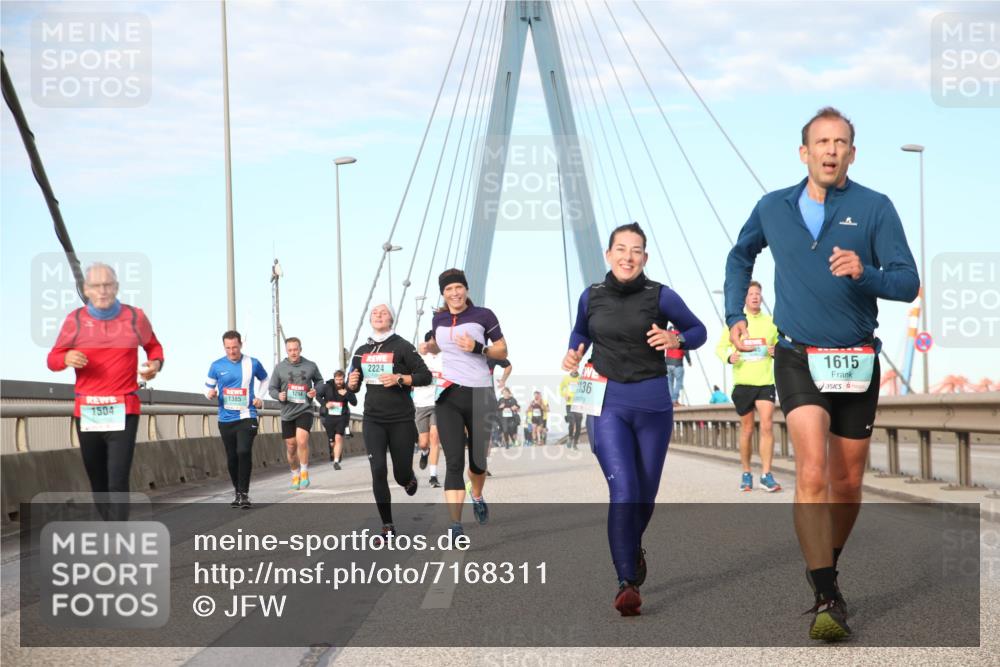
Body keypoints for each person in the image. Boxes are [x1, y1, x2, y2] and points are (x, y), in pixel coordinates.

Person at [724, 107, 919, 641]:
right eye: (821, 142)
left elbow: (908, 283)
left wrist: (867, 272)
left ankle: (823, 563)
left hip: (857, 359)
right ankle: (827, 594)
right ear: (803, 151)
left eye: (841, 143)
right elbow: (739, 257)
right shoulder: (773, 207)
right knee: (811, 472)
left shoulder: (875, 208)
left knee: (847, 482)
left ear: (852, 153)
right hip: (797, 355)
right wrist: (735, 315)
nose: (831, 150)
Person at [564, 222, 706, 617]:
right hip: (607, 401)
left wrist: (677, 339)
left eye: (636, 250)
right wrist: (574, 352)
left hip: (653, 403)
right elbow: (579, 332)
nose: (628, 256)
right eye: (621, 249)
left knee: (645, 494)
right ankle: (627, 581)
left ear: (645, 257)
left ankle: (632, 547)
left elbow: (699, 330)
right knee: (624, 490)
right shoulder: (591, 296)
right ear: (608, 255)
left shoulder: (660, 295)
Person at [46, 263, 164, 519]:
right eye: (96, 286)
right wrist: (66, 358)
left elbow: (154, 348)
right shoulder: (75, 321)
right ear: (86, 289)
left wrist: (154, 365)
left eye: (108, 285)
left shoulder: (135, 317)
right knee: (98, 483)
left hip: (124, 409)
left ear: (117, 287)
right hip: (88, 411)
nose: (103, 290)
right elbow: (52, 359)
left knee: (117, 480)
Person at [420, 268, 507, 538]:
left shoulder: (484, 315)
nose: (454, 293)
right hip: (449, 395)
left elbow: (503, 350)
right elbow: (440, 345)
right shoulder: (438, 319)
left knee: (478, 461)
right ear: (443, 293)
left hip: (480, 393)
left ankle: (477, 495)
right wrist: (430, 348)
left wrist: (478, 348)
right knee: (454, 461)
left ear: (466, 289)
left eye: (458, 287)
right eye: (448, 289)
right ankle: (455, 526)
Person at [347, 304, 431, 540]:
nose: (378, 315)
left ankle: (408, 478)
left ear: (392, 318)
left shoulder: (402, 346)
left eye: (383, 312)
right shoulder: (362, 350)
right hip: (373, 418)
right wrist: (352, 383)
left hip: (401, 419)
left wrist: (400, 378)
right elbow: (353, 385)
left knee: (400, 474)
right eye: (374, 312)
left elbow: (425, 376)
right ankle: (387, 526)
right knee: (378, 470)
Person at [715, 280, 781, 492]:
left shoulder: (772, 322)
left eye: (757, 293)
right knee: (746, 429)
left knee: (768, 425)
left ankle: (766, 474)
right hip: (743, 382)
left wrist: (776, 351)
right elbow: (720, 348)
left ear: (761, 297)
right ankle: (746, 472)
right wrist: (729, 356)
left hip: (765, 382)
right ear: (745, 298)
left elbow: (782, 344)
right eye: (751, 293)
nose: (754, 297)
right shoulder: (736, 323)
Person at [204, 330, 268, 508]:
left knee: (243, 451)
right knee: (232, 457)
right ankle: (237, 492)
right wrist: (210, 393)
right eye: (228, 348)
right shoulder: (216, 365)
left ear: (241, 345)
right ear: (224, 347)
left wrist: (260, 397)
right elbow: (207, 387)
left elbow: (265, 379)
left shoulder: (252, 363)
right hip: (225, 419)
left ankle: (245, 493)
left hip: (247, 415)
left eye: (234, 347)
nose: (232, 351)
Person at [269, 338, 324, 490]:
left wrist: (316, 390)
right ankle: (295, 473)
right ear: (287, 351)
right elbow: (272, 388)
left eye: (296, 349)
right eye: (290, 350)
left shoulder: (310, 365)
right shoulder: (279, 368)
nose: (293, 352)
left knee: (301, 440)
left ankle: (305, 472)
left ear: (300, 349)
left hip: (304, 409)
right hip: (287, 411)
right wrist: (278, 395)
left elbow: (320, 382)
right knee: (291, 446)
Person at [413, 331, 444, 487]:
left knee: (434, 437)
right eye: (433, 340)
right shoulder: (419, 358)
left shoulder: (443, 357)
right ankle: (424, 452)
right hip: (421, 403)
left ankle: (433, 475)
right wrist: (420, 350)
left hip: (438, 402)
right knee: (424, 442)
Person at [316, 370, 356, 469]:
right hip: (329, 418)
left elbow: (354, 402)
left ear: (344, 379)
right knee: (332, 442)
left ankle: (336, 462)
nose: (339, 382)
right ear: (334, 379)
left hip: (342, 417)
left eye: (341, 380)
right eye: (337, 380)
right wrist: (325, 404)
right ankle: (335, 453)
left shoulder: (347, 388)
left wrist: (347, 394)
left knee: (338, 438)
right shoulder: (327, 387)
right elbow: (317, 395)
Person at [664, 332, 691, 406]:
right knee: (679, 383)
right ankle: (674, 400)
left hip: (668, 363)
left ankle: (671, 401)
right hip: (677, 363)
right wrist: (689, 361)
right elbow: (685, 349)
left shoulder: (668, 334)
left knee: (670, 383)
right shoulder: (680, 335)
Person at [559, 371, 583, 449]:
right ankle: (570, 437)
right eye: (573, 367)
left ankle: (575, 442)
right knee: (572, 422)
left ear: (577, 367)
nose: (574, 368)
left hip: (579, 404)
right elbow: (560, 388)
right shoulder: (566, 378)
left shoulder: (581, 378)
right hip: (569, 404)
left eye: (576, 366)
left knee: (579, 425)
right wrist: (564, 395)